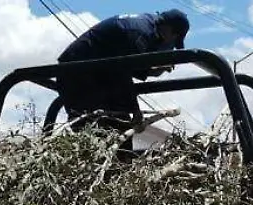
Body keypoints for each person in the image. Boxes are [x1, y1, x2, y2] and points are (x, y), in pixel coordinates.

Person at [56, 9, 190, 126]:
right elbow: (122, 71)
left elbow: (128, 65)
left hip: (96, 75)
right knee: (95, 126)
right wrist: (134, 109)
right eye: (174, 40)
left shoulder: (149, 27)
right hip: (78, 74)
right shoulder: (140, 33)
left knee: (118, 126)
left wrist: (154, 69)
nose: (170, 45)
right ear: (171, 31)